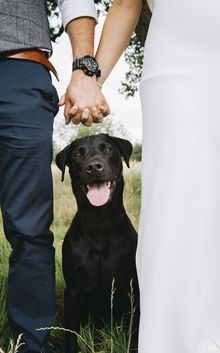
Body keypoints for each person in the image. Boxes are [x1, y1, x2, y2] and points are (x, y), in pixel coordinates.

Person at [72, 0, 220, 352]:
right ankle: (175, 340)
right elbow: (126, 3)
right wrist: (91, 77)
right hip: (179, 58)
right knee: (175, 202)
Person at [0, 1, 110, 352]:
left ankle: (32, 345)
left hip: (18, 69)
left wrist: (85, 69)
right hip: (18, 74)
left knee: (30, 227)